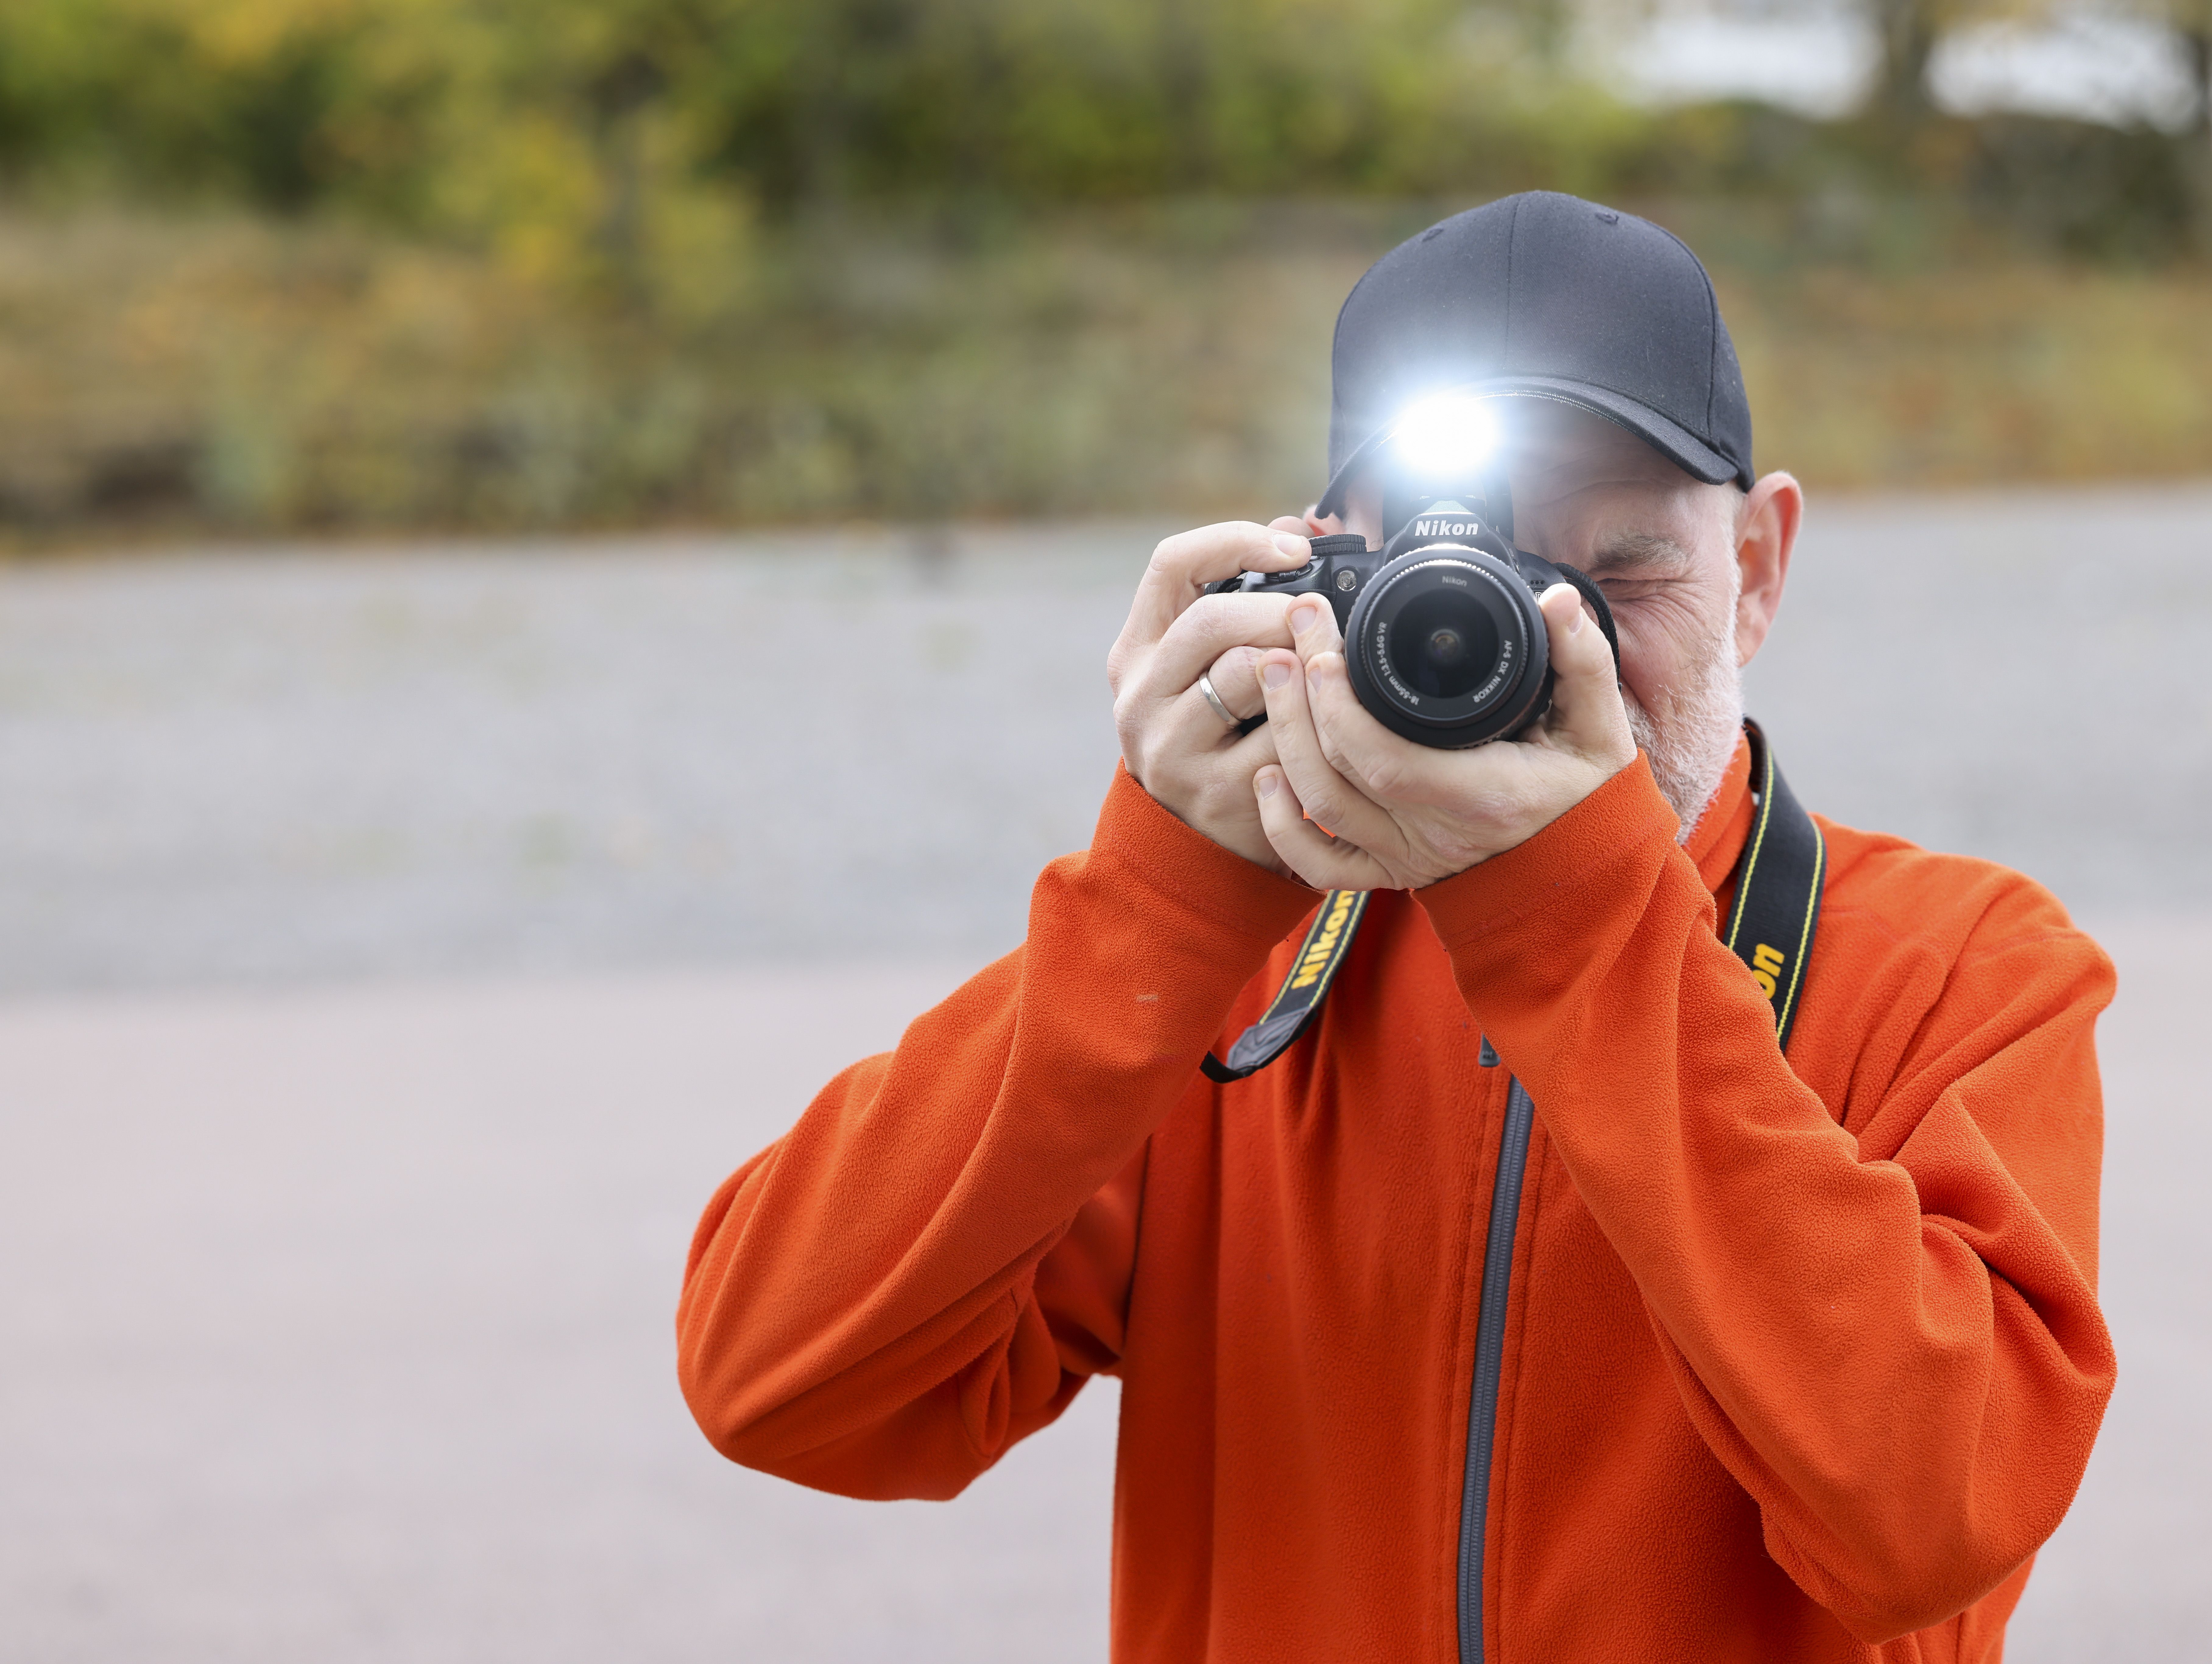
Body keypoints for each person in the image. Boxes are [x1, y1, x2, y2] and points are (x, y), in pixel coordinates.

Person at [676, 191, 2116, 1662]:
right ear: (1318, 575)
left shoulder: (1962, 966)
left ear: (1754, 567)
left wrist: (1576, 922)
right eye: (1461, 586)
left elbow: (1928, 1517)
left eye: (1618, 573)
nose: (1555, 642)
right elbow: (779, 1383)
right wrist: (1164, 893)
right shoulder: (1215, 979)